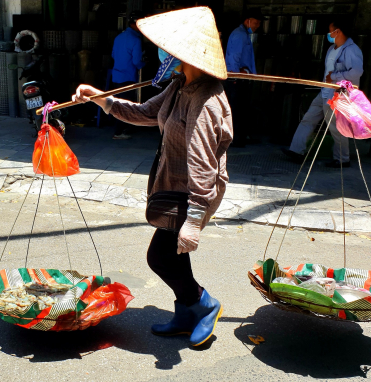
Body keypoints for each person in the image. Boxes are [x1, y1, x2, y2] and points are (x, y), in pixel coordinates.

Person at [73, 7, 232, 347]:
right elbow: (145, 113)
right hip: (174, 183)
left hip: (194, 191)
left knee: (159, 256)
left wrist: (195, 217)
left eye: (167, 49)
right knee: (174, 255)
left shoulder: (205, 99)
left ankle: (204, 305)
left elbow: (203, 163)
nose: (160, 53)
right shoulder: (180, 85)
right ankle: (185, 313)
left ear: (183, 55)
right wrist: (100, 98)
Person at [282, 19, 363, 168]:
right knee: (308, 119)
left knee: (336, 127)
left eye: (330, 30)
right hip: (324, 91)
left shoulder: (352, 50)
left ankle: (342, 159)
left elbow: (356, 73)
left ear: (337, 32)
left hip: (338, 94)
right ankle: (296, 151)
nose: (329, 34)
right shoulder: (331, 49)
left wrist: (334, 77)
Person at [224, 9, 263, 147]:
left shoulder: (244, 34)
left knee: (242, 108)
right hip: (236, 78)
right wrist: (235, 76)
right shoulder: (239, 35)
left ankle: (240, 136)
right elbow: (234, 57)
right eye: (256, 23)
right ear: (248, 21)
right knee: (235, 108)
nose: (257, 26)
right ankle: (232, 138)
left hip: (242, 77)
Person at [109, 11, 146, 139]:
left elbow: (113, 55)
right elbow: (136, 62)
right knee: (125, 105)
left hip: (117, 76)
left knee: (117, 104)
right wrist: (144, 64)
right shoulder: (136, 40)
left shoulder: (118, 37)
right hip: (128, 77)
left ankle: (118, 129)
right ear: (135, 25)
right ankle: (120, 132)